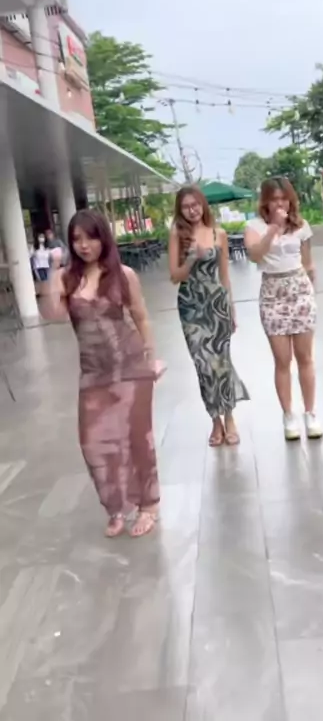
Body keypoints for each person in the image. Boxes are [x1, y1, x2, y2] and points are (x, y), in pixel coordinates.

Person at [43, 209, 165, 538]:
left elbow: (141, 316)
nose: (84, 245)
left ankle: (148, 506)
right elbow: (54, 314)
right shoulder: (69, 279)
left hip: (131, 367)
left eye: (91, 238)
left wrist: (152, 357)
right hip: (93, 373)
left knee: (137, 440)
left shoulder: (123, 275)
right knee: (93, 444)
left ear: (103, 238)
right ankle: (115, 507)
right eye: (77, 239)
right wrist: (53, 273)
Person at [169, 185, 249, 446]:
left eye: (195, 204)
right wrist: (192, 257)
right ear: (180, 210)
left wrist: (231, 308)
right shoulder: (178, 234)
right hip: (191, 306)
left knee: (221, 362)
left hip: (216, 305)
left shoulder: (218, 233)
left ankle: (230, 417)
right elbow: (175, 276)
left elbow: (225, 275)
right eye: (185, 207)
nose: (192, 210)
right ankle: (215, 420)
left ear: (203, 205)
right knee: (203, 366)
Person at [244, 177, 322, 441]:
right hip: (272, 292)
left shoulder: (301, 226)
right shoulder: (254, 226)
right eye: (274, 199)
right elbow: (255, 255)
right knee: (282, 359)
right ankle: (288, 415)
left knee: (305, 357)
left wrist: (311, 293)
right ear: (265, 201)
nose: (279, 204)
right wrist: (273, 229)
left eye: (283, 198)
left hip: (299, 290)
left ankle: (310, 412)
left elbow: (308, 263)